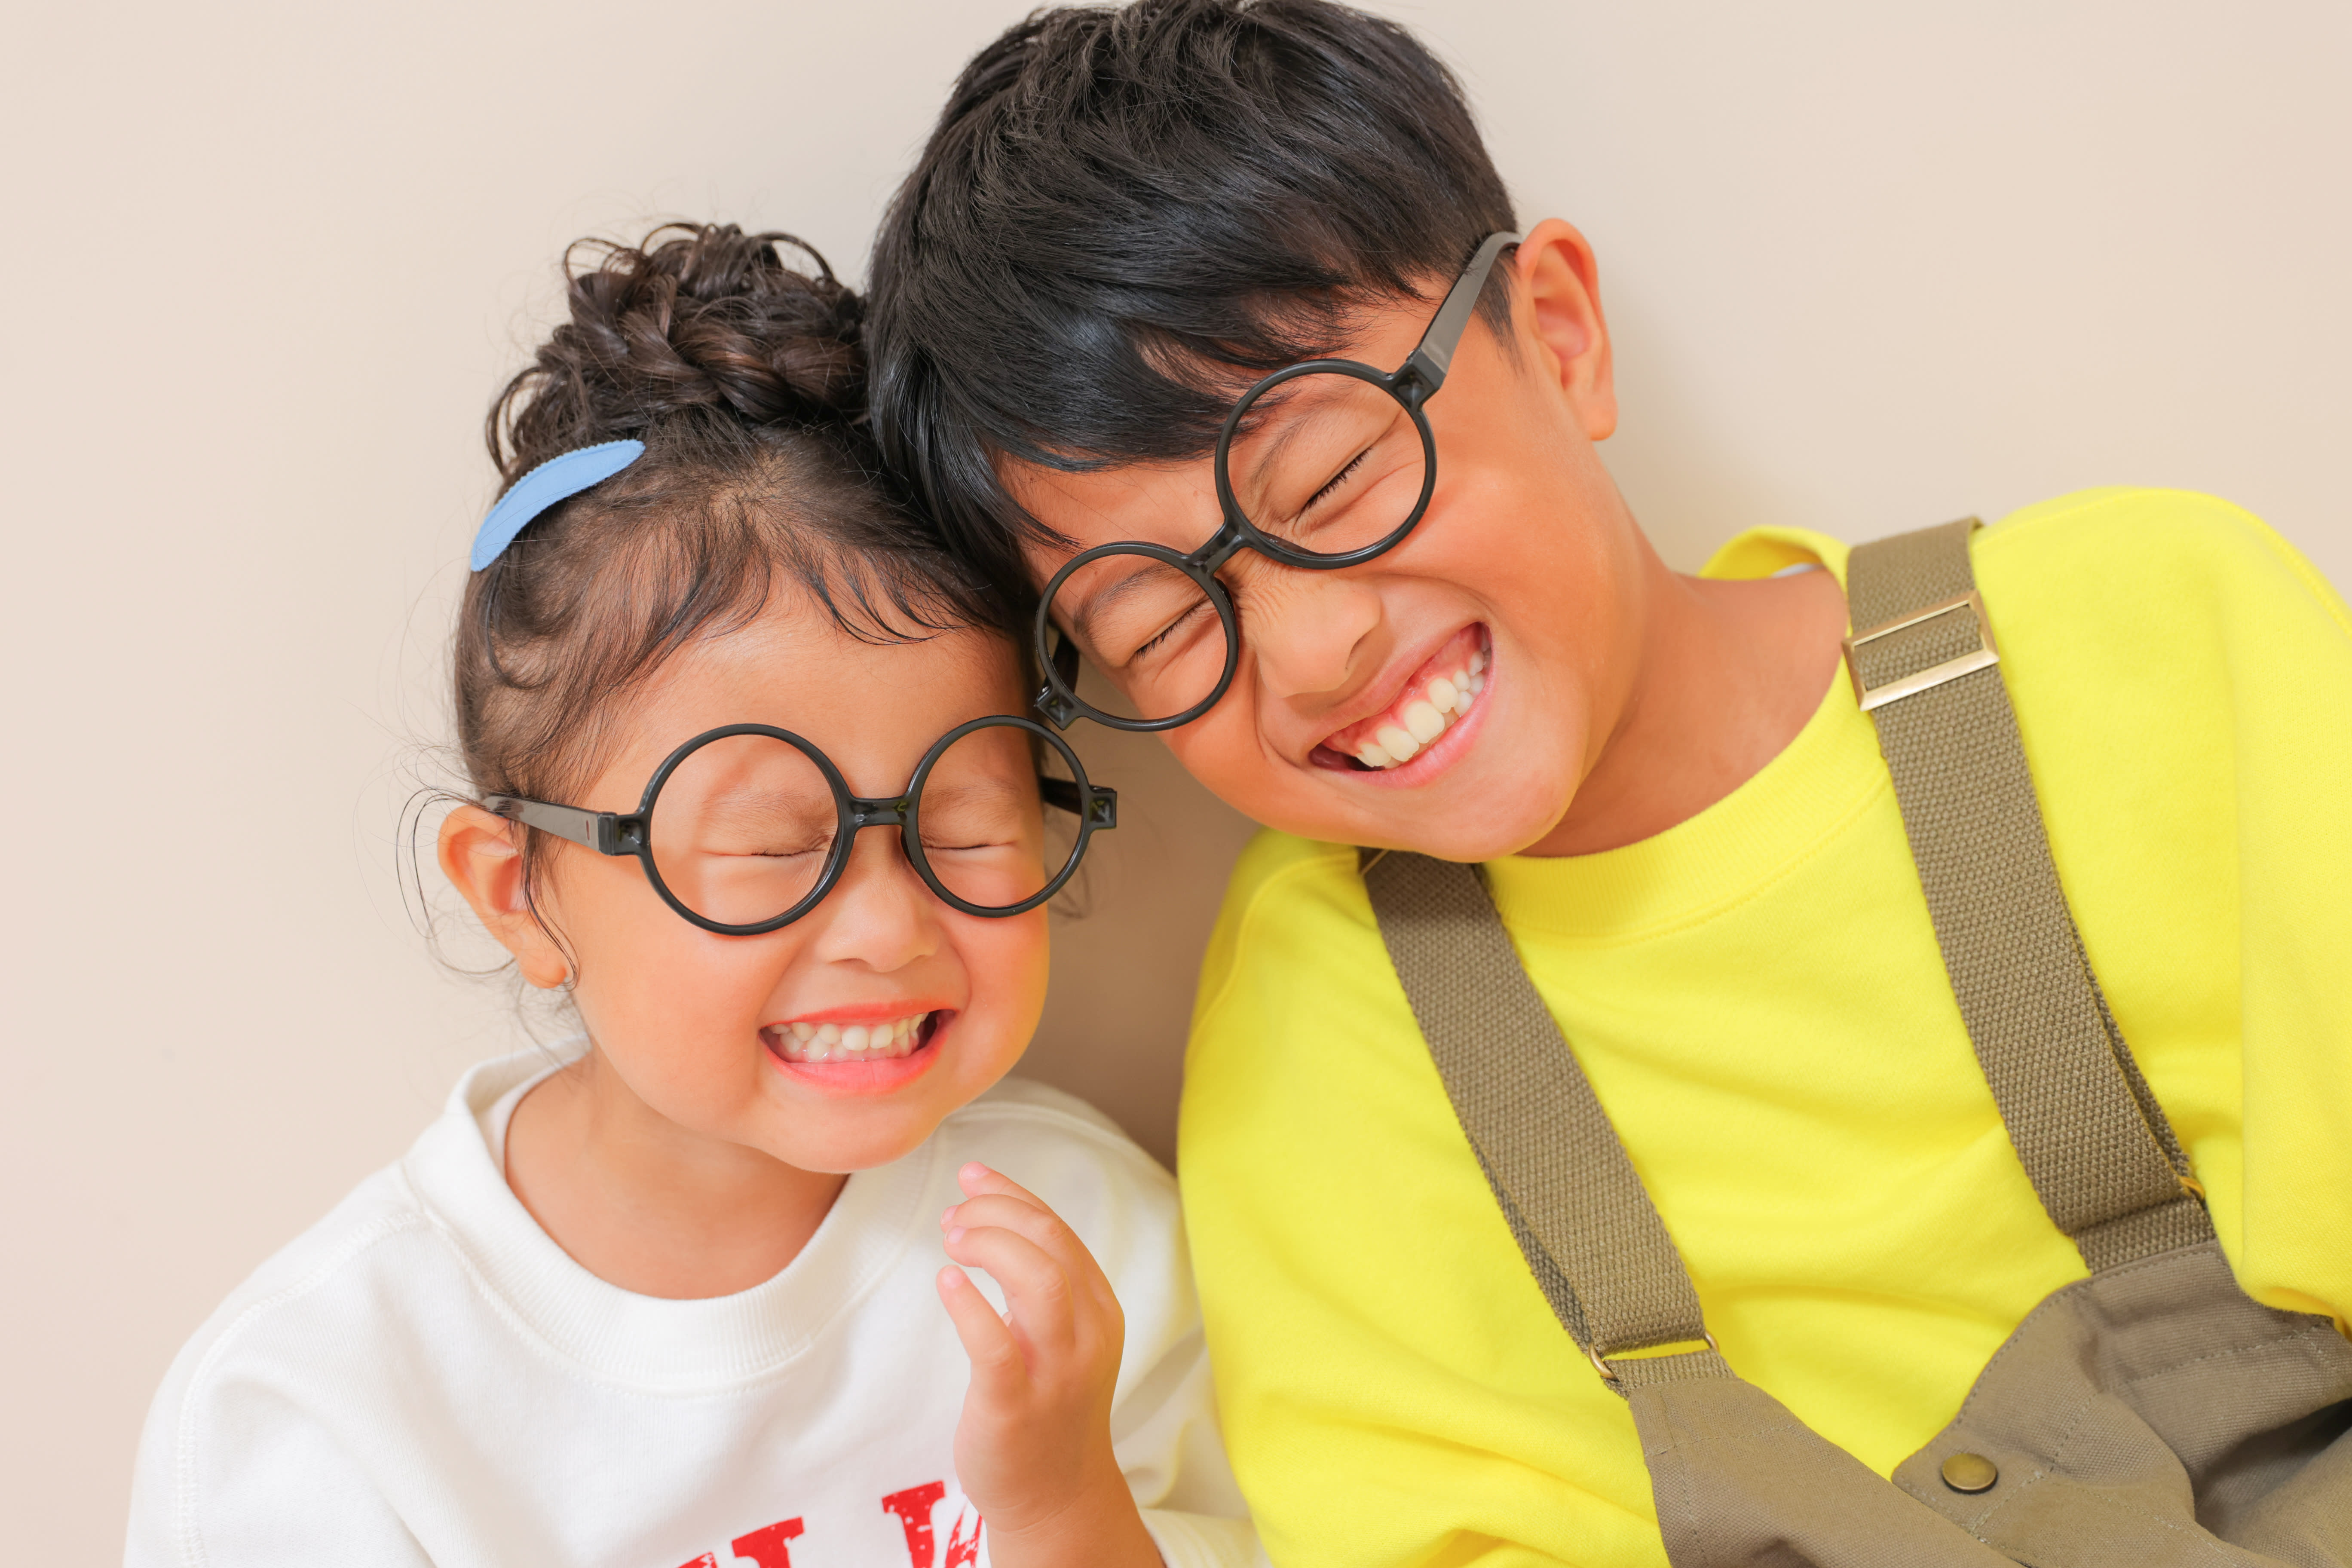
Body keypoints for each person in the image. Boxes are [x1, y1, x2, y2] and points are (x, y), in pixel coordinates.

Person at [864, 3, 2352, 1564]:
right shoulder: (1327, 1024)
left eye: (1333, 477)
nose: (1310, 649)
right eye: (1165, 623)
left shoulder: (2146, 633)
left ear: (1560, 335)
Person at [126, 223, 1259, 1568]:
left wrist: (1064, 1502)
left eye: (964, 824)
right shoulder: (317, 1412)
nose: (889, 930)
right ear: (521, 894)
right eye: (775, 849)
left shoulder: (1088, 1240)